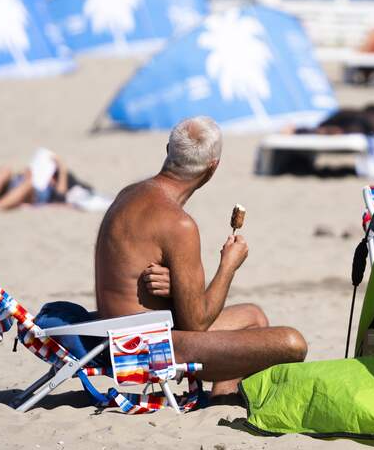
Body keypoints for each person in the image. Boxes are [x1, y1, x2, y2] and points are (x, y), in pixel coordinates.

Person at [94, 117, 307, 399]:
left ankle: (223, 396)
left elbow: (133, 276)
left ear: (168, 148)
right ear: (212, 167)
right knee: (293, 343)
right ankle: (225, 395)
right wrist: (228, 266)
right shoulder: (179, 224)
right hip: (144, 346)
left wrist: (176, 289)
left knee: (253, 316)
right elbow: (197, 324)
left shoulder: (130, 193)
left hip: (117, 331)